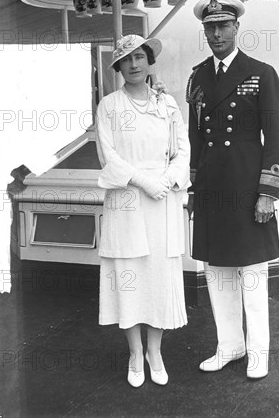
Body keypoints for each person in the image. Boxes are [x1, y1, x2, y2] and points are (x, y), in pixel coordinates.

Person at [187, 0, 279, 379]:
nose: (216, 34)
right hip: (211, 188)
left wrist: (268, 192)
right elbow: (196, 140)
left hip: (247, 188)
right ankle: (229, 344)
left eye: (222, 26)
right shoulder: (197, 77)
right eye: (209, 27)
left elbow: (276, 137)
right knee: (217, 271)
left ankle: (259, 349)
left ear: (236, 28)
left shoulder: (260, 73)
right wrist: (194, 189)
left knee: (252, 272)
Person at [96, 34, 190, 388]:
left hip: (162, 200)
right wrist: (142, 181)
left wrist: (166, 180)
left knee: (158, 277)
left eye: (140, 57)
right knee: (129, 276)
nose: (134, 65)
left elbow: (183, 149)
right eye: (127, 59)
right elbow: (108, 156)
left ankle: (155, 351)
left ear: (150, 62)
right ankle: (135, 353)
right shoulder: (109, 106)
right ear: (118, 66)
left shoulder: (167, 105)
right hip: (127, 200)